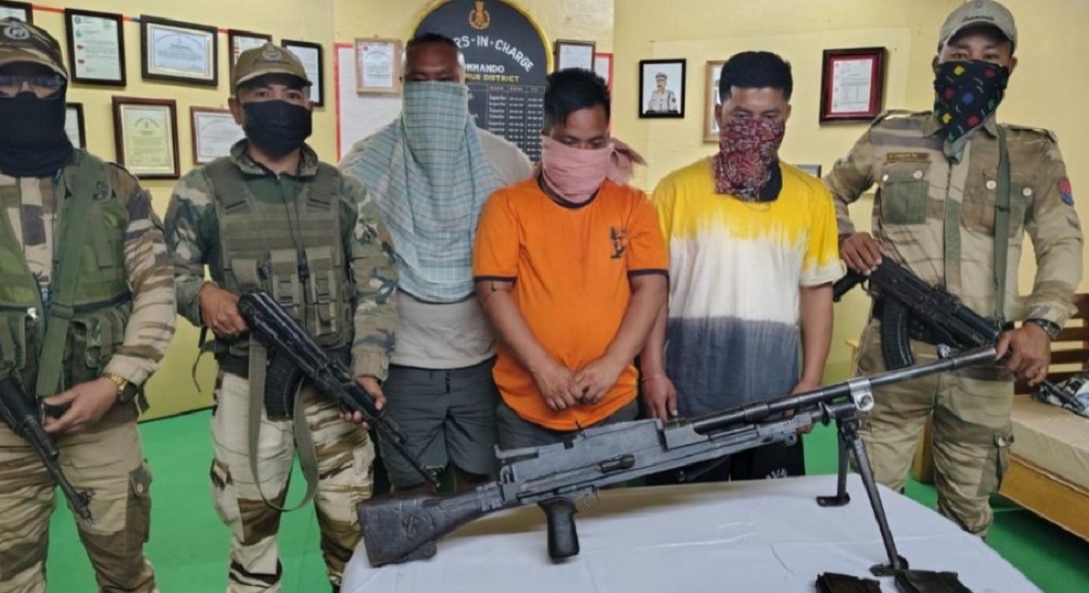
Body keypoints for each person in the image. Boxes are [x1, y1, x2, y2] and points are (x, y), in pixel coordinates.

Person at [822, 0, 1083, 537]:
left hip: (985, 354)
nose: (973, 67)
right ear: (937, 60)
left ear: (1010, 67)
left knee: (967, 515)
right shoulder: (890, 135)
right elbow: (828, 194)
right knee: (867, 506)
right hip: (895, 351)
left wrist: (1042, 324)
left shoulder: (1033, 154)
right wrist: (847, 237)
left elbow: (1062, 242)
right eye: (960, 55)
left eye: (990, 57)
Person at [163, 43, 398, 593]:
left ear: (309, 104)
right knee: (251, 518)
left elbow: (377, 285)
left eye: (292, 93)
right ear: (235, 108)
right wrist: (203, 296)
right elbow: (165, 273)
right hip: (249, 385)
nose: (279, 104)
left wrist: (368, 370)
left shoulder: (344, 191)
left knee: (351, 518)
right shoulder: (203, 189)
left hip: (333, 384)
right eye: (261, 93)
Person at [0, 18, 174, 593]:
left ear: (62, 88)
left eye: (42, 81)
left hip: (101, 416)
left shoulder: (113, 186)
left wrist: (117, 381)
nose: (26, 93)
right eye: (6, 80)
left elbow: (158, 288)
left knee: (128, 584)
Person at [340, 33, 532, 494]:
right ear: (403, 86)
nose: (431, 91)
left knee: (481, 485)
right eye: (418, 81)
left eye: (443, 80)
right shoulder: (365, 165)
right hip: (402, 362)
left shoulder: (506, 162)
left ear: (463, 85)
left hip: (482, 360)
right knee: (412, 487)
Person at [641, 51, 843, 484]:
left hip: (776, 398)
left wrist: (811, 381)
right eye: (741, 116)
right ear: (719, 114)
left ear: (787, 115)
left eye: (770, 116)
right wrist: (653, 372)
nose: (755, 129)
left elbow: (816, 293)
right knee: (679, 514)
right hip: (689, 394)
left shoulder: (812, 197)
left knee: (769, 514)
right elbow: (654, 293)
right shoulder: (675, 191)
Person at [473, 68, 667, 449]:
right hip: (527, 410)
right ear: (545, 137)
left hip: (613, 404)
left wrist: (613, 364)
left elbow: (651, 288)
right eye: (569, 142)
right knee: (527, 493)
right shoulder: (507, 207)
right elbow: (493, 293)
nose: (583, 155)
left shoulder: (633, 207)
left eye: (595, 143)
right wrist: (542, 368)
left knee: (615, 493)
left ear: (608, 138)